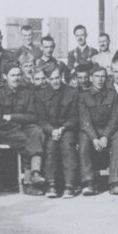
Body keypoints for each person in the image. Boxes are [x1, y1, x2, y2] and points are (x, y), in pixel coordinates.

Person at [0, 65, 47, 192]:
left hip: (22, 128)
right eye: (13, 75)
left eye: (18, 75)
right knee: (25, 139)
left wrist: (11, 116)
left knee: (37, 132)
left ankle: (35, 173)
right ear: (5, 77)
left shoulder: (26, 93)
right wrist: (19, 121)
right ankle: (29, 180)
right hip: (3, 131)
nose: (16, 78)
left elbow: (33, 116)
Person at [77, 66, 118, 195]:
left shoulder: (113, 94)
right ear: (91, 78)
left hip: (108, 129)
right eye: (97, 76)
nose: (100, 80)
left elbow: (115, 118)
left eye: (103, 76)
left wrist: (105, 136)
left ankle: (115, 182)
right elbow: (84, 120)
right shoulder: (84, 96)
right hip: (90, 130)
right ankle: (89, 183)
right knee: (83, 142)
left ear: (107, 78)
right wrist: (94, 138)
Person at [34, 65, 79, 198]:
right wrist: (52, 130)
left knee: (67, 146)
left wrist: (63, 128)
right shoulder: (41, 95)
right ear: (47, 79)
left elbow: (75, 116)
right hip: (50, 130)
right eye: (52, 78)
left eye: (57, 78)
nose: (55, 81)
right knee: (50, 147)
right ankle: (51, 184)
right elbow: (41, 119)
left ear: (62, 77)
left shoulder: (72, 92)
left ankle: (69, 185)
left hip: (67, 128)